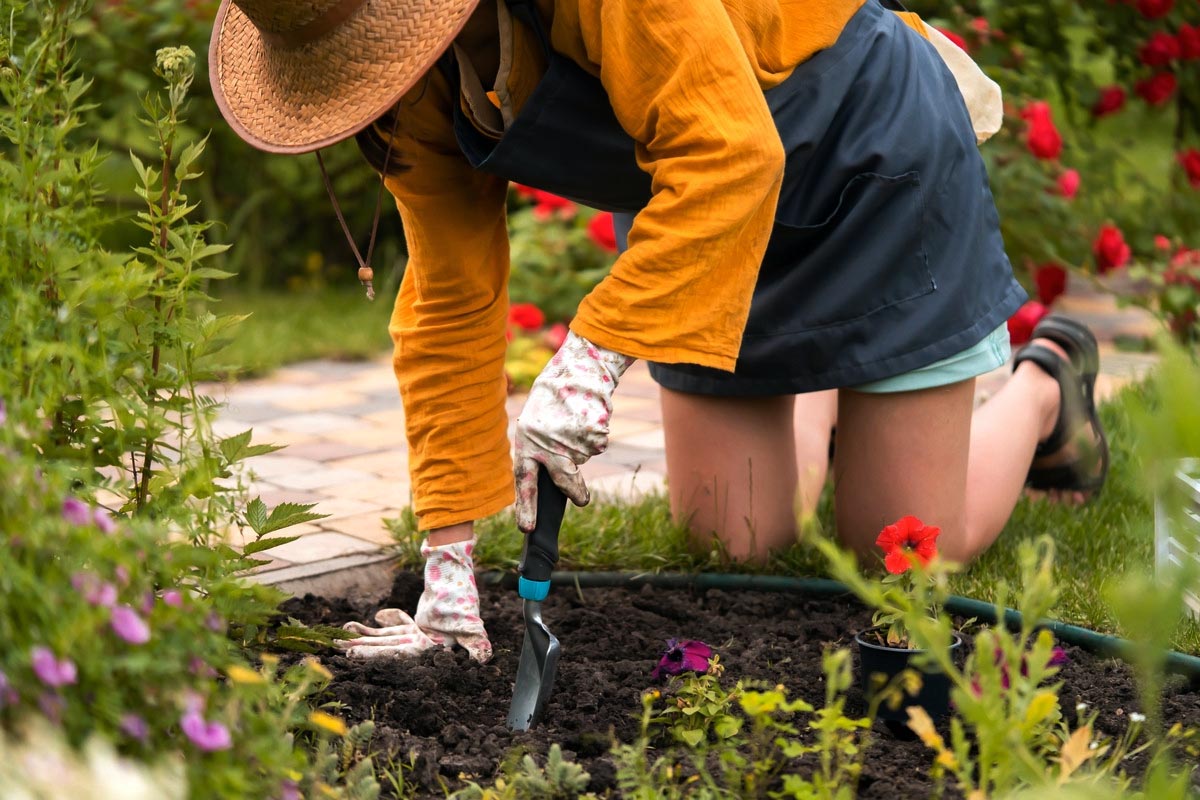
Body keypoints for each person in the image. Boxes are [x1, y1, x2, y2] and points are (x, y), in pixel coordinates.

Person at [207, 0, 1108, 662]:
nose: (372, 73)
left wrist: (593, 355)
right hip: (704, 229)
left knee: (900, 554)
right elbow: (448, 299)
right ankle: (844, 404)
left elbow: (734, 154)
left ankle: (1043, 386)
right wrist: (448, 563)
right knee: (734, 540)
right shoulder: (419, 93)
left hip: (866, 156)